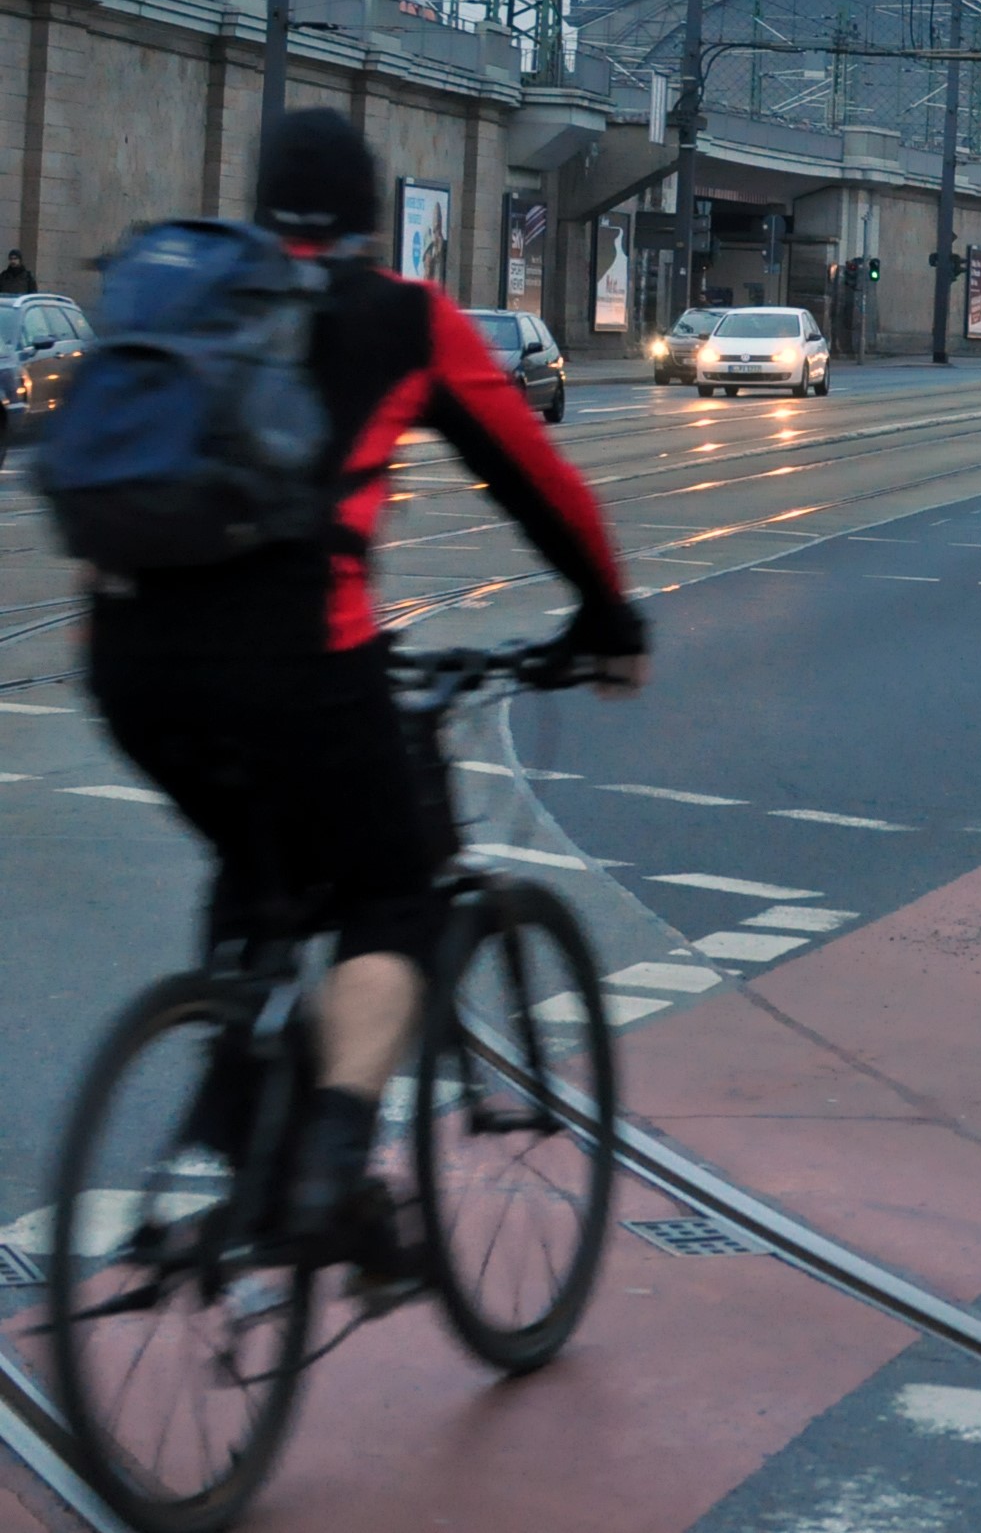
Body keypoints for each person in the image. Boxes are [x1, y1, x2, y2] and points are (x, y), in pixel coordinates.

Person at [86, 106, 647, 1264]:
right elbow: (539, 484)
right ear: (368, 213)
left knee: (260, 865)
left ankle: (237, 1128)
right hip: (300, 662)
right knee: (392, 895)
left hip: (128, 663)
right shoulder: (400, 318)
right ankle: (332, 1167)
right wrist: (607, 616)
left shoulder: (178, 294)